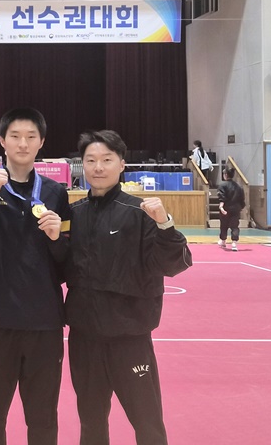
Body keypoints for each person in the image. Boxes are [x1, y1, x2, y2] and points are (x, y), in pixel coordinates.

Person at [66, 130, 192, 445]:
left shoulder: (141, 212)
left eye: (106, 160)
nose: (98, 167)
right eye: (91, 160)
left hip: (130, 339)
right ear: (82, 165)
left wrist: (164, 223)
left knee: (148, 424)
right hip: (84, 339)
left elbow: (174, 264)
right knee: (91, 424)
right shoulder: (74, 215)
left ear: (122, 164)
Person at [0, 109, 69, 444]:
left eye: (30, 137)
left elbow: (65, 262)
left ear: (41, 142)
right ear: (2, 141)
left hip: (45, 321)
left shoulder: (55, 192)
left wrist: (56, 238)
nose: (22, 143)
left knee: (43, 417)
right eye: (15, 136)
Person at [217, 167, 246, 251]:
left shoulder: (222, 185)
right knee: (235, 226)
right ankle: (234, 243)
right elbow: (242, 199)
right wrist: (241, 207)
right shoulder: (239, 186)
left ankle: (223, 240)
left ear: (226, 175)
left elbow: (222, 197)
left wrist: (221, 206)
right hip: (236, 208)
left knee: (224, 225)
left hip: (226, 208)